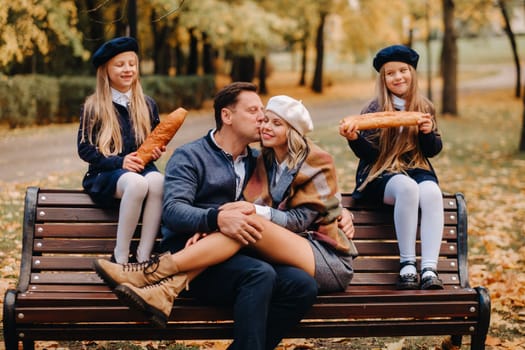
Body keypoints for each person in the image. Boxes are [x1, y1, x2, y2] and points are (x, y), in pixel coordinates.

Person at [93, 84, 355, 349]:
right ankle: (156, 275)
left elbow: (301, 197)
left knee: (302, 286)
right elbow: (173, 212)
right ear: (227, 116)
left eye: (266, 114)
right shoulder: (190, 156)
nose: (261, 119)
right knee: (260, 273)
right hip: (192, 250)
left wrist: (340, 212)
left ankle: (159, 281)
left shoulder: (259, 160)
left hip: (242, 247)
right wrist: (215, 220)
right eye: (254, 111)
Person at [339, 44, 444, 290]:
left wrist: (427, 134)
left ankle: (429, 268)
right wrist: (355, 139)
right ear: (383, 79)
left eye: (403, 71)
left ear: (412, 73)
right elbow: (370, 154)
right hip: (381, 173)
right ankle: (407, 264)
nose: (397, 77)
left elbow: (432, 151)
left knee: (431, 192)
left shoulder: (425, 107)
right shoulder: (373, 109)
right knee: (407, 188)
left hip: (415, 168)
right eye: (390, 73)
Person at [78, 36, 165, 264]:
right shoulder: (94, 106)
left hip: (142, 168)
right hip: (106, 174)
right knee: (137, 184)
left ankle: (144, 256)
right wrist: (120, 163)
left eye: (132, 64)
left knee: (158, 182)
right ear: (105, 70)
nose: (127, 70)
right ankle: (120, 256)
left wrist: (156, 151)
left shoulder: (147, 104)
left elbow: (155, 139)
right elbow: (85, 149)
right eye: (120, 65)